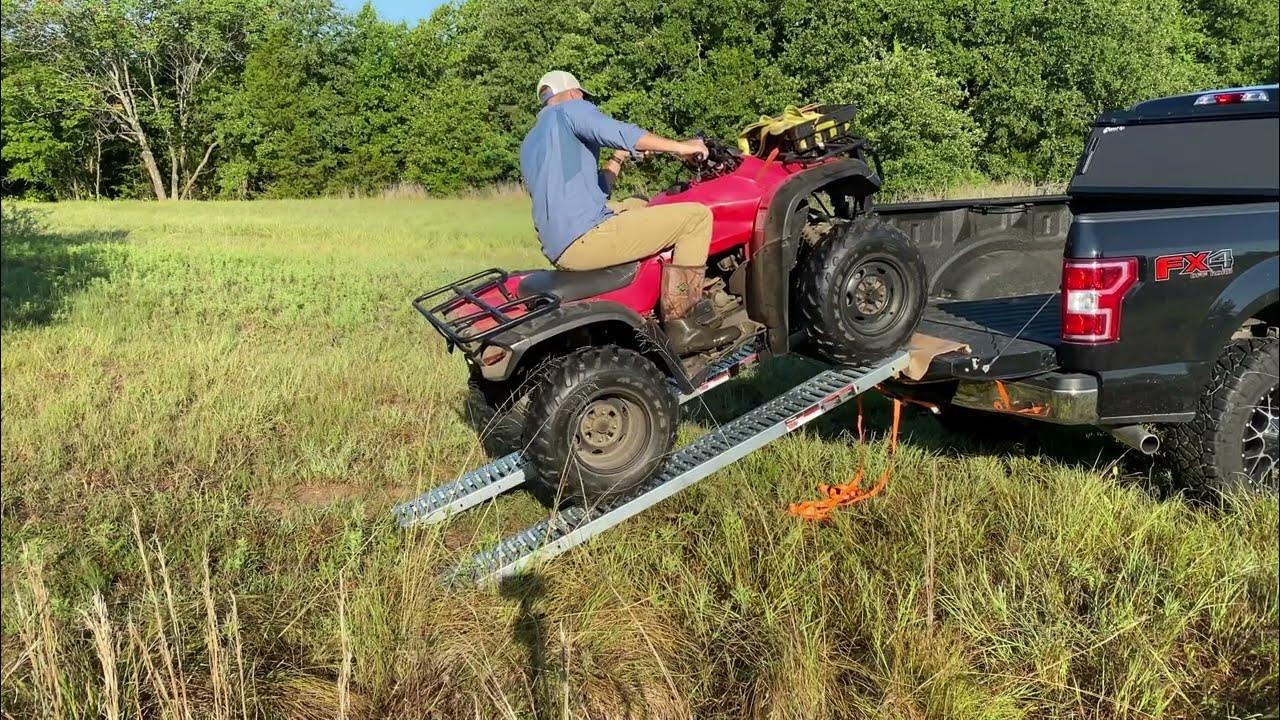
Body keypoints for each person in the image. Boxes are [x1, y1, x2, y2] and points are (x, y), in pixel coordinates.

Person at [519, 70, 724, 353]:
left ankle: (657, 291)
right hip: (585, 238)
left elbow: (597, 191)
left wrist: (618, 157)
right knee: (696, 218)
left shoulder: (531, 141)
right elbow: (622, 133)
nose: (584, 100)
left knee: (639, 203)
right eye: (582, 94)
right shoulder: (571, 110)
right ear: (571, 93)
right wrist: (681, 148)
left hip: (562, 245)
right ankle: (681, 324)